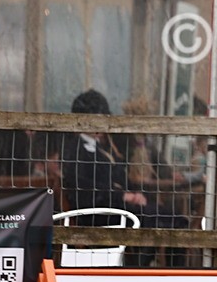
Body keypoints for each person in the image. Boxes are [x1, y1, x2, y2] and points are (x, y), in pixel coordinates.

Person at [58, 89, 188, 265]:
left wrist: (134, 193)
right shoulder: (74, 150)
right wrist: (124, 195)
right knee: (154, 221)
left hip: (117, 207)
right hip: (98, 213)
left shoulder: (102, 148)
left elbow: (119, 178)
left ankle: (174, 274)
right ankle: (139, 270)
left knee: (177, 220)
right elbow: (84, 190)